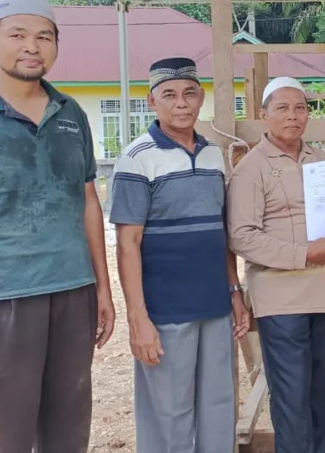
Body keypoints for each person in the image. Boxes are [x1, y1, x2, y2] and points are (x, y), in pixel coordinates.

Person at [0, 0, 115, 452]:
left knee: (68, 433)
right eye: (17, 35)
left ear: (56, 45)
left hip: (72, 293)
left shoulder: (70, 113)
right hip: (0, 301)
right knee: (4, 437)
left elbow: (88, 203)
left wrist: (102, 290)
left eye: (44, 37)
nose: (32, 46)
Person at [226, 76, 325, 453]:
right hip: (280, 300)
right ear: (264, 116)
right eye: (282, 108)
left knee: (321, 397)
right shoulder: (251, 169)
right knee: (292, 399)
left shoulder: (321, 162)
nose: (293, 116)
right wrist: (304, 254)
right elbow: (241, 237)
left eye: (300, 108)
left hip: (324, 295)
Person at [109, 57, 251, 452]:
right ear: (152, 102)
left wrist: (234, 292)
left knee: (219, 409)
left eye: (189, 93)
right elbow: (127, 244)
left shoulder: (212, 155)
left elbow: (220, 232)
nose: (181, 103)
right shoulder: (137, 159)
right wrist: (138, 320)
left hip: (215, 307)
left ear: (201, 98)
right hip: (165, 312)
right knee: (169, 416)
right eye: (169, 95)